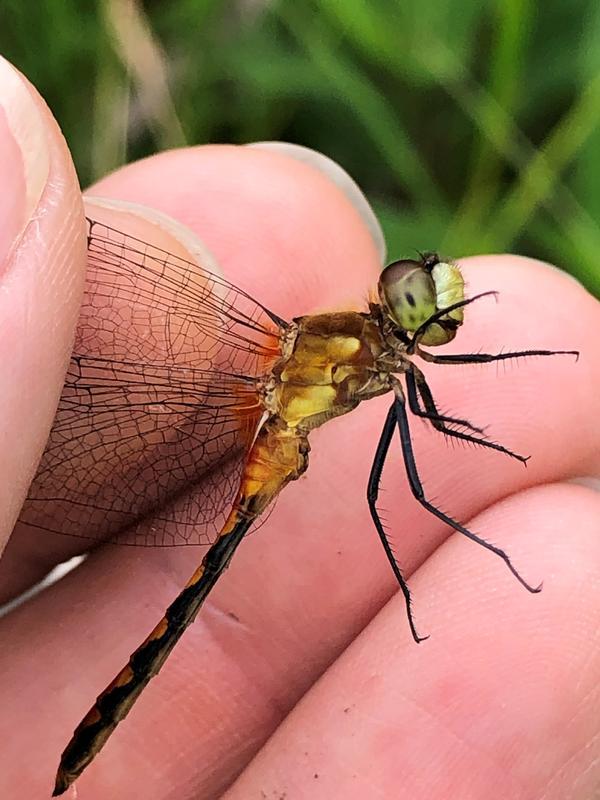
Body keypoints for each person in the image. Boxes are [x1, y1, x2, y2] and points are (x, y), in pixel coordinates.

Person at [1, 54, 599, 800]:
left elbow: (431, 424)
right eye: (425, 304)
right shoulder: (372, 353)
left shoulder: (376, 345)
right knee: (400, 495)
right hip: (269, 433)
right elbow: (414, 470)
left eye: (432, 307)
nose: (435, 312)